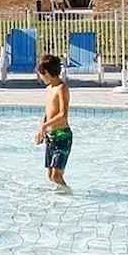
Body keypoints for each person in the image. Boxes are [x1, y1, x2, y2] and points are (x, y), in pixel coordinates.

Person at [34, 53, 72, 192]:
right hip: (51, 137)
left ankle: (69, 193)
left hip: (62, 137)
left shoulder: (61, 88)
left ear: (48, 72)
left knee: (56, 175)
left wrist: (45, 126)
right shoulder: (48, 89)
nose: (41, 77)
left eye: (42, 74)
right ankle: (62, 195)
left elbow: (63, 114)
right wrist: (41, 128)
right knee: (50, 175)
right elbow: (47, 112)